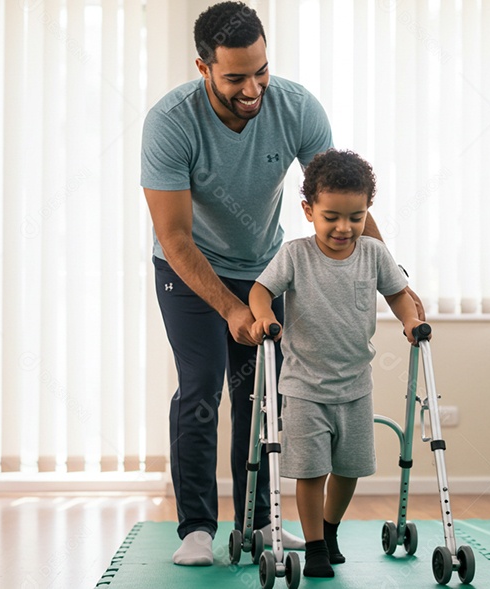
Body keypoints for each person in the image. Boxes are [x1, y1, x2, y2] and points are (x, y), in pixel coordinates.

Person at [141, 1, 332, 567]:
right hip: (187, 266)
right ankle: (197, 528)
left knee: (261, 391)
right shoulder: (171, 122)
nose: (253, 89)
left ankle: (262, 522)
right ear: (203, 69)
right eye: (235, 78)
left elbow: (340, 198)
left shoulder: (296, 108)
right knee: (201, 386)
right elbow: (175, 238)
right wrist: (229, 308)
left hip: (261, 266)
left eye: (261, 71)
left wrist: (393, 278)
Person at [248, 149, 427, 578]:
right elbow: (260, 290)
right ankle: (313, 548)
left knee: (349, 470)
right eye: (332, 217)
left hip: (355, 387)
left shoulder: (374, 253)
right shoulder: (295, 255)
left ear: (367, 212)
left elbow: (399, 295)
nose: (344, 228)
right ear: (309, 211)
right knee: (311, 472)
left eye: (356, 216)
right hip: (304, 386)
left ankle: (329, 531)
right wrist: (265, 316)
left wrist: (411, 321)